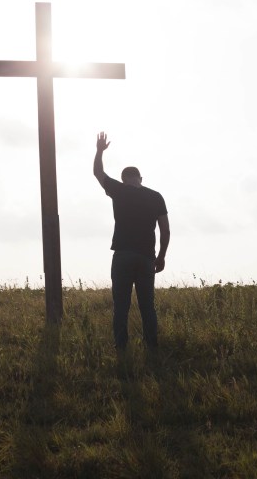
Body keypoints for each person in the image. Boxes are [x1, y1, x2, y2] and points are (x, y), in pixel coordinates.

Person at [93, 131, 170, 350]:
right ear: (141, 179)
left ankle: (121, 349)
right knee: (148, 306)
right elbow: (165, 230)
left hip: (123, 256)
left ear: (124, 178)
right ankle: (152, 348)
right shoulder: (155, 197)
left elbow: (98, 173)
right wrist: (161, 256)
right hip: (146, 257)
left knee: (121, 307)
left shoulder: (118, 190)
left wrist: (99, 151)